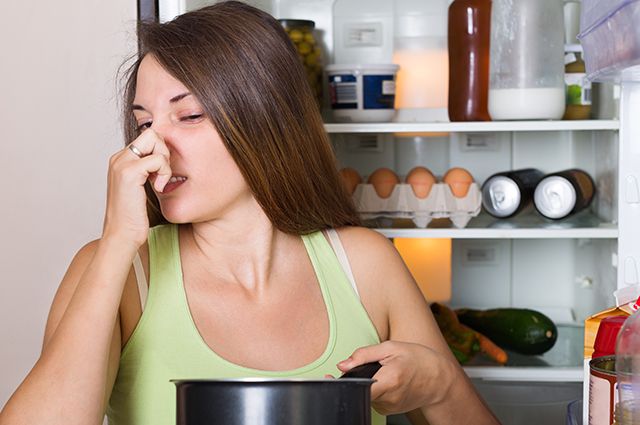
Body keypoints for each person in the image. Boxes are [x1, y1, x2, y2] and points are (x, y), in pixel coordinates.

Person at [0, 2, 499, 424]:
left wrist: (437, 387)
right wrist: (114, 244)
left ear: (264, 117)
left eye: (189, 115)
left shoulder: (365, 264)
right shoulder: (117, 272)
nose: (151, 145)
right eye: (144, 122)